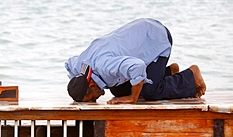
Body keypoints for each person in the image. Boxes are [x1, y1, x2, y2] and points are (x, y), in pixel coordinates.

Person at [65, 18, 206, 104]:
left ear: (91, 84)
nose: (93, 101)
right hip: (139, 37)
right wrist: (78, 84)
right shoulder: (79, 68)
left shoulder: (105, 66)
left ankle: (190, 76)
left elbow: (137, 66)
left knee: (151, 92)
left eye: (91, 99)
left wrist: (132, 98)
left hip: (155, 38)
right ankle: (168, 72)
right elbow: (68, 63)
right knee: (118, 90)